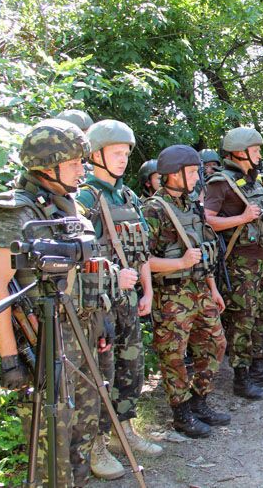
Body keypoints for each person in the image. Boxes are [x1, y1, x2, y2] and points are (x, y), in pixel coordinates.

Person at [0, 119, 120, 486]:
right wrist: (11, 360)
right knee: (52, 445)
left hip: (84, 332)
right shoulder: (15, 212)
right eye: (76, 162)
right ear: (48, 166)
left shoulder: (70, 205)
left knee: (83, 430)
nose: (84, 169)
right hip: (46, 342)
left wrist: (101, 315)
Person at [76, 120, 162, 480]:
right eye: (116, 152)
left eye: (127, 152)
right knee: (102, 375)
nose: (124, 159)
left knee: (132, 369)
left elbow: (140, 249)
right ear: (95, 155)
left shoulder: (127, 196)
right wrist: (114, 279)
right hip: (99, 305)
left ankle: (123, 430)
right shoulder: (84, 198)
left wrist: (148, 289)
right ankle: (95, 444)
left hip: (127, 299)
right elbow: (77, 260)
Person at [142, 145, 229, 439]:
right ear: (173, 174)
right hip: (170, 296)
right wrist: (178, 263)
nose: (196, 177)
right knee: (174, 356)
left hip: (199, 289)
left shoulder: (191, 204)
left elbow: (204, 250)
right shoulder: (153, 209)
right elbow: (140, 259)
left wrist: (213, 288)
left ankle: (200, 401)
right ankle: (181, 414)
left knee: (216, 343)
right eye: (191, 172)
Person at [204, 127, 263, 400]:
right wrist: (240, 219)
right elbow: (206, 221)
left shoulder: (253, 180)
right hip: (238, 265)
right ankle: (241, 379)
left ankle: (259, 367)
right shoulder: (220, 182)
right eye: (255, 150)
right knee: (242, 320)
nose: (259, 154)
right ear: (240, 152)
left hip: (261, 259)